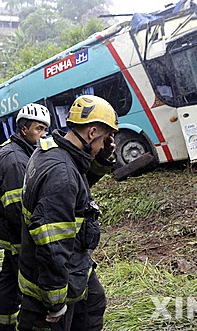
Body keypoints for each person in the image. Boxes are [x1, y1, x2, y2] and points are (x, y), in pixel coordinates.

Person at [17, 95, 119, 330]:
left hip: (74, 265)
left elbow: (77, 188)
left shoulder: (55, 150)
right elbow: (53, 245)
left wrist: (101, 158)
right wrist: (55, 302)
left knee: (94, 303)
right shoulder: (61, 173)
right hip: (54, 278)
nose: (105, 144)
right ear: (92, 133)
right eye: (105, 138)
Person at [0, 103, 51, 330]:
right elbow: (17, 210)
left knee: (8, 284)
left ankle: (2, 325)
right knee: (30, 287)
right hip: (17, 238)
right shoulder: (15, 160)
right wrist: (35, 237)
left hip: (10, 235)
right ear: (24, 130)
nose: (43, 134)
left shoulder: (20, 151)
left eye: (45, 129)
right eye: (39, 129)